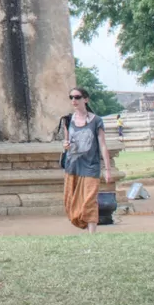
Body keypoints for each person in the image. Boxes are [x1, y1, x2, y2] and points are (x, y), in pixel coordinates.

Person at [60, 88, 112, 233]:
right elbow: (66, 142)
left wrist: (107, 170)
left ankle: (92, 234)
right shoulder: (68, 120)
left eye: (77, 97)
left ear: (86, 99)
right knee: (70, 202)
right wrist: (66, 145)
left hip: (91, 166)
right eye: (71, 97)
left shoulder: (96, 121)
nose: (74, 100)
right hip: (73, 165)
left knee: (89, 200)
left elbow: (102, 145)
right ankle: (82, 223)